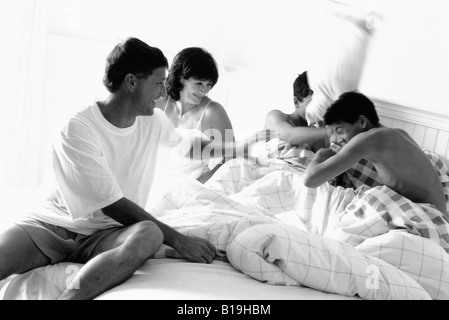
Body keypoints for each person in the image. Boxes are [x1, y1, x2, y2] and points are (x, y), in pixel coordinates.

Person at [0, 37, 221, 300]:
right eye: (158, 83)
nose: (164, 93)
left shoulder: (153, 120)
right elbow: (111, 203)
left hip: (108, 234)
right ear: (131, 82)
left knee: (150, 233)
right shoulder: (78, 128)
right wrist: (179, 240)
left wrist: (236, 147)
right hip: (54, 226)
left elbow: (184, 145)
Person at [304, 91, 447, 216]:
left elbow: (310, 180)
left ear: (362, 121)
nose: (338, 140)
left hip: (429, 218)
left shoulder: (368, 139)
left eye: (340, 131)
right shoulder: (397, 133)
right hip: (438, 216)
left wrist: (319, 157)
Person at [155, 47, 234, 184]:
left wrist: (204, 180)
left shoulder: (213, 111)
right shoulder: (159, 102)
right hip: (155, 179)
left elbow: (232, 156)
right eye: (199, 83)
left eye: (209, 84)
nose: (205, 90)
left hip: (191, 185)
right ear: (180, 78)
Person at [264, 71, 328, 152]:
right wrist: (328, 131)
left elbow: (322, 160)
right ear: (296, 102)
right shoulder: (275, 116)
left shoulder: (317, 131)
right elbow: (290, 136)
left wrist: (322, 124)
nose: (317, 108)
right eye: (312, 103)